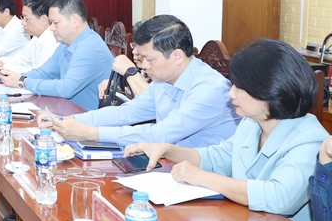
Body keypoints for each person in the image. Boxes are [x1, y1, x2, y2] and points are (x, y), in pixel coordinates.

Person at [127, 39, 328, 221]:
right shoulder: (252, 123)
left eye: (240, 87)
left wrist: (202, 178)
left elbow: (279, 197)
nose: (231, 93)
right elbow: (216, 158)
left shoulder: (310, 139)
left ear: (270, 90)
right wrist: (167, 150)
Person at [48, 15, 239, 147]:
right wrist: (69, 120)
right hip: (171, 165)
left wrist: (90, 133)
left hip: (206, 179)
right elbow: (126, 113)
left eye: (149, 59)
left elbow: (160, 134)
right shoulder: (163, 81)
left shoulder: (210, 88)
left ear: (177, 56)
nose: (143, 66)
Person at [0, 0, 112, 110]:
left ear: (75, 20)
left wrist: (23, 82)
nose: (51, 28)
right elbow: (44, 72)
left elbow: (66, 89)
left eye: (55, 23)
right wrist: (15, 77)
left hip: (86, 116)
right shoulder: (66, 43)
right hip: (67, 111)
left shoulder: (89, 47)